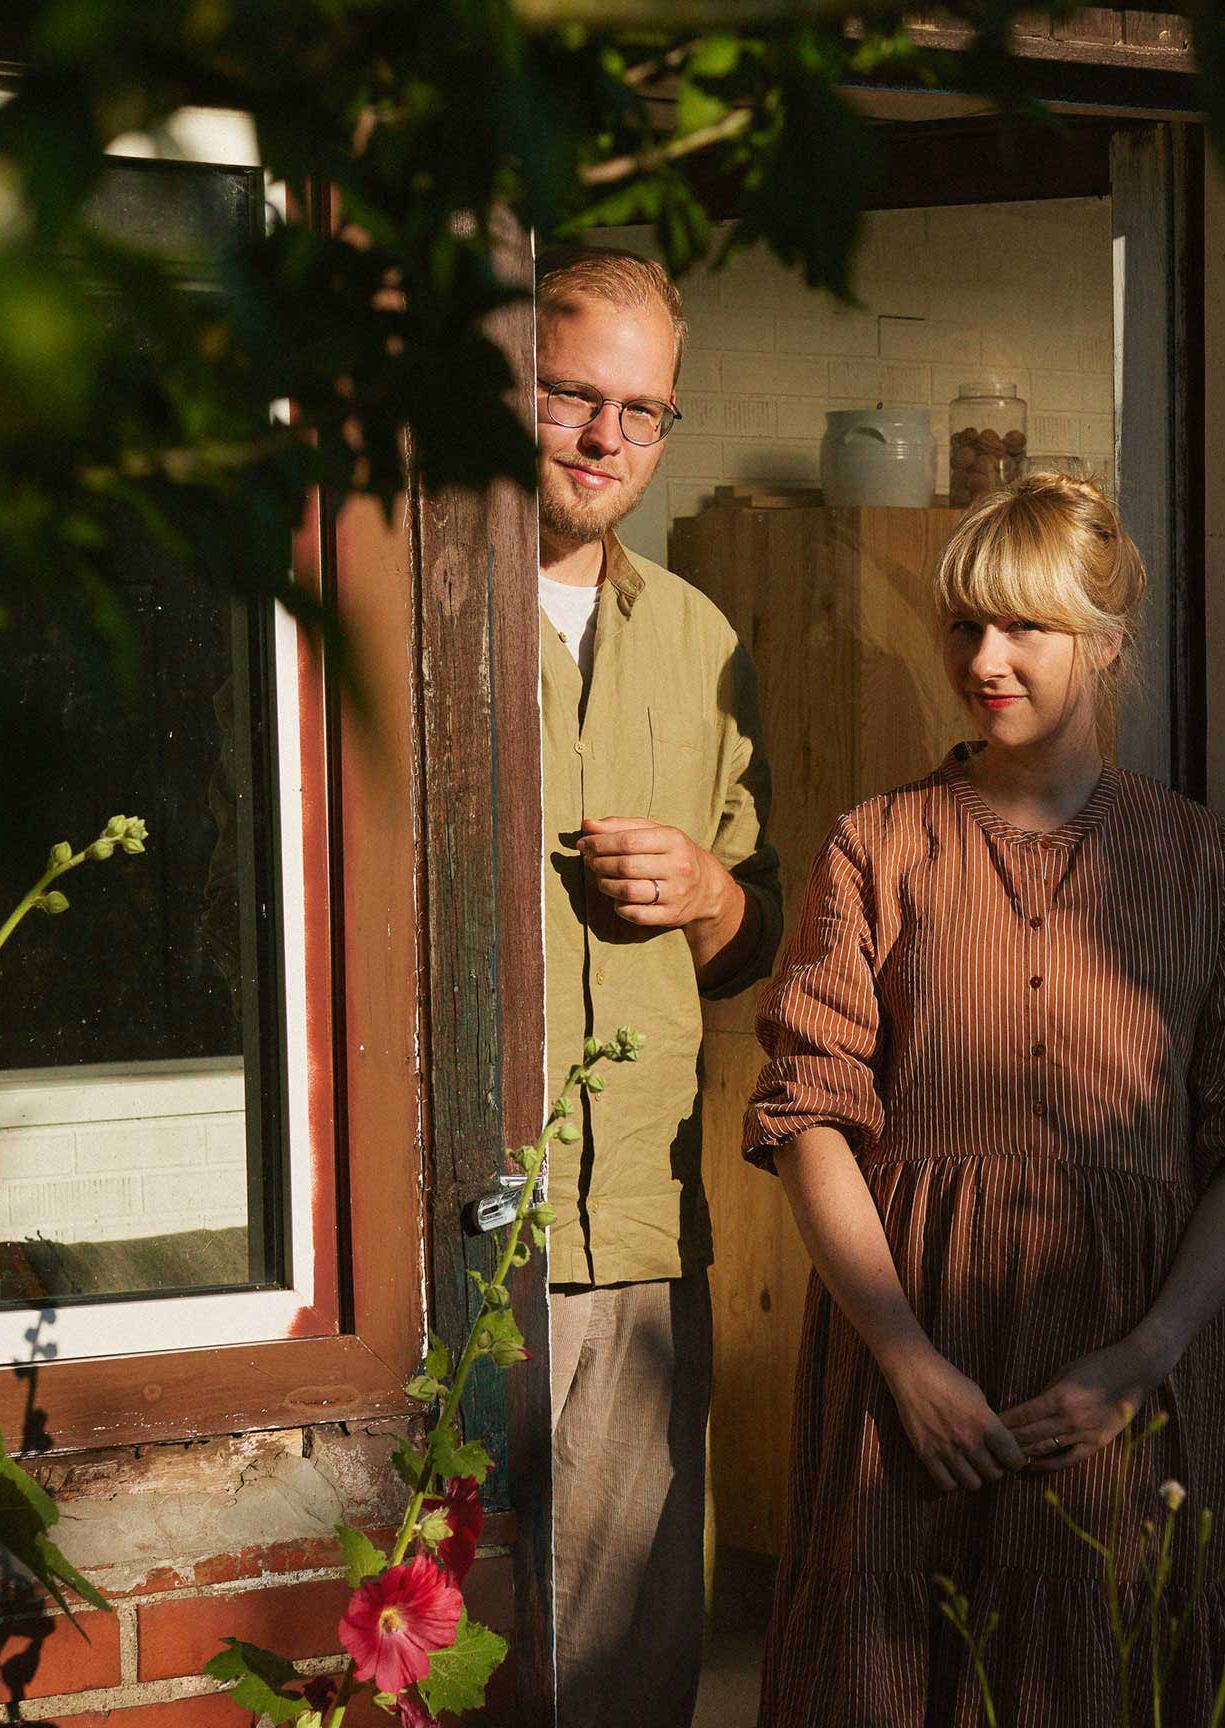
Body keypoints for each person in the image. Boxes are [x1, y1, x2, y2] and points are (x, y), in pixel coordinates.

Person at [743, 473, 1225, 1724]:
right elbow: (809, 1117)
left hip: (1114, 1384)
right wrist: (903, 1359)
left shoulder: (1199, 865)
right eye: (965, 625)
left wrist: (1147, 1355)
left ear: (1107, 647)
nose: (986, 659)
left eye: (1027, 628)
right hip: (912, 1374)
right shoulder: (877, 847)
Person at [532, 244, 779, 1728]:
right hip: (461, 1236)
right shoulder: (424, 615)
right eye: (572, 396)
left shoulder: (700, 642)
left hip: (634, 1223)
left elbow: (753, 944)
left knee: (628, 1674)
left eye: (645, 411)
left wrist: (708, 890)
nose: (609, 441)